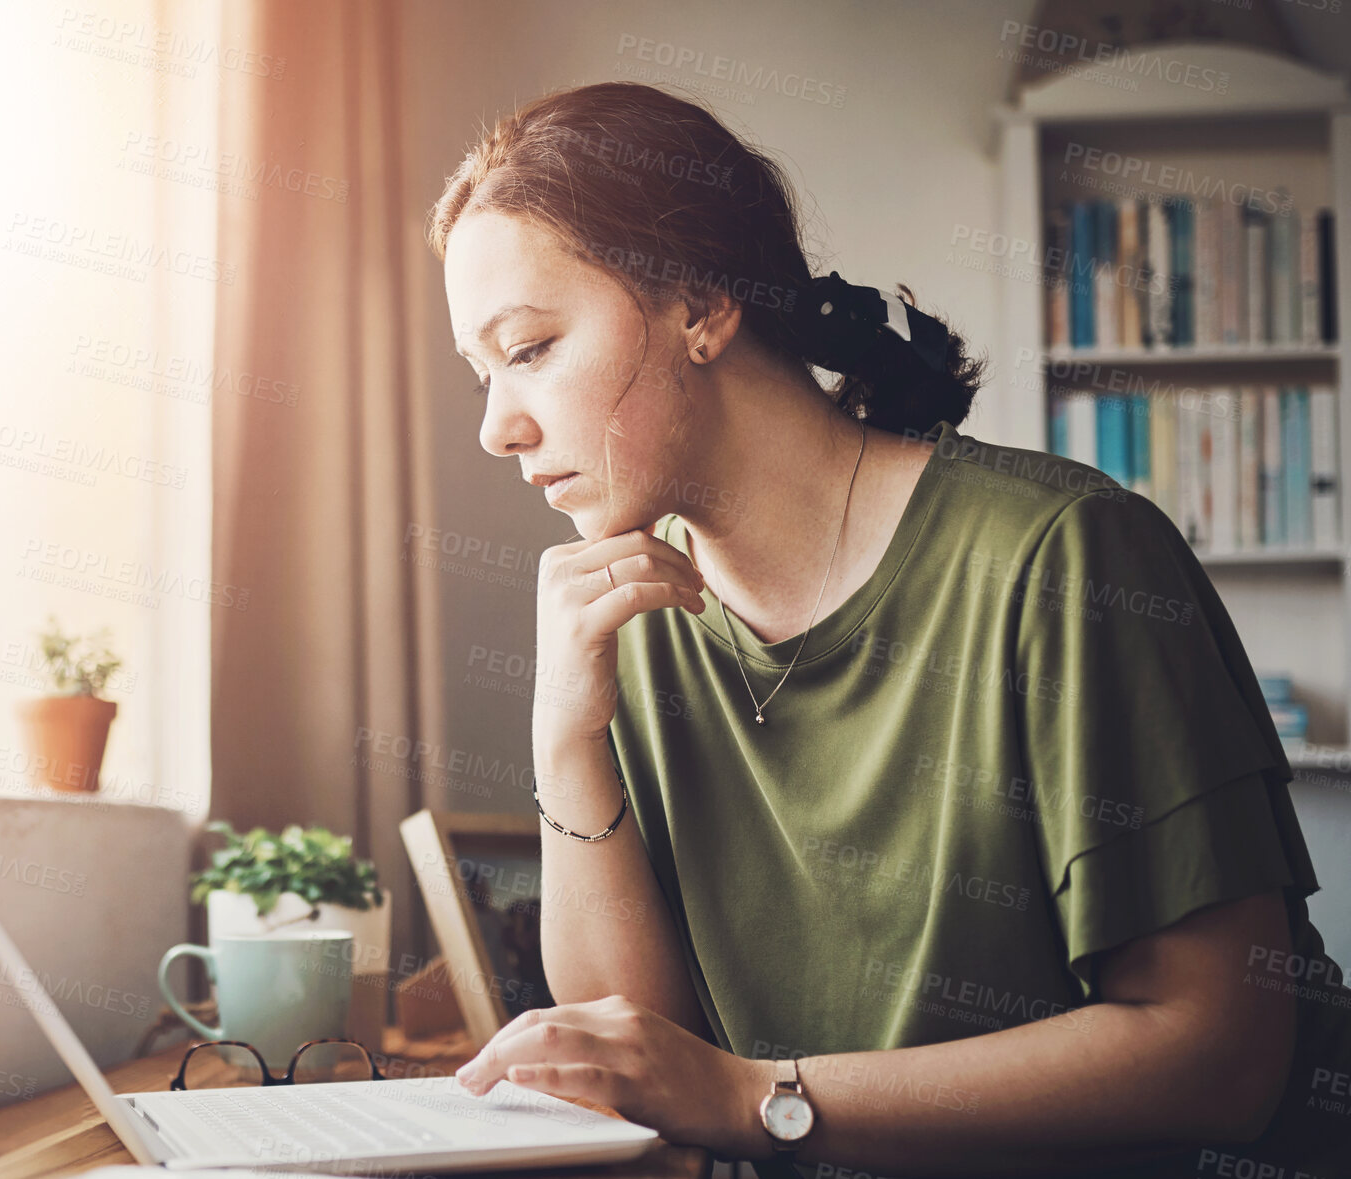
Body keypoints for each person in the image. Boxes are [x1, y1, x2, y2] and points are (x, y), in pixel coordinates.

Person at [427, 81, 1351, 1178]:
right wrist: (563, 742)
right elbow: (643, 1063)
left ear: (700, 306)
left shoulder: (1069, 555)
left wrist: (757, 1096)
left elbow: (1218, 1056)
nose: (495, 428)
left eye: (527, 347)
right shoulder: (628, 620)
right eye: (479, 374)